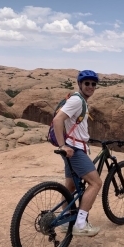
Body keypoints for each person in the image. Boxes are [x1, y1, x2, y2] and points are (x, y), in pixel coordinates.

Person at [53, 70, 102, 236]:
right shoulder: (77, 101)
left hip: (73, 147)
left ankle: (66, 218)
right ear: (80, 84)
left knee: (71, 186)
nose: (90, 86)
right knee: (95, 183)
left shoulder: (78, 100)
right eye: (86, 83)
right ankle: (81, 224)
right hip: (74, 150)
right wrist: (62, 145)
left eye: (93, 84)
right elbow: (58, 120)